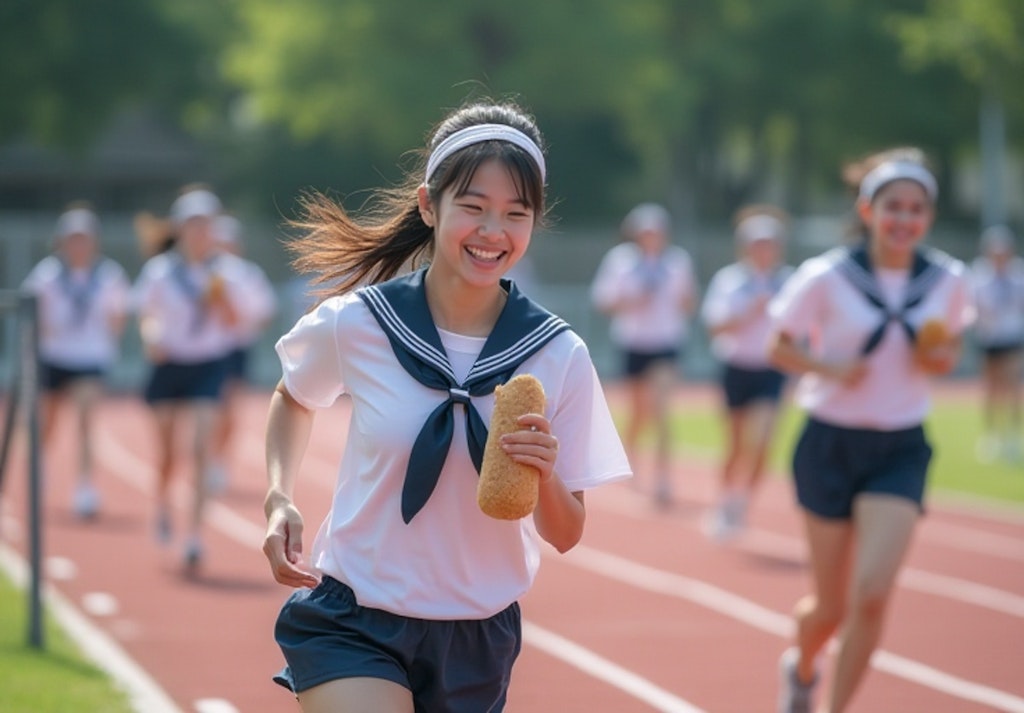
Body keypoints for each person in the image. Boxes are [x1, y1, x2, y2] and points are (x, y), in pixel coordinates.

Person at [262, 99, 632, 713]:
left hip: (478, 633)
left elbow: (566, 534)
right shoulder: (361, 323)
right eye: (473, 208)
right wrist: (279, 497)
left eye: (516, 214)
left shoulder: (556, 353)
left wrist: (545, 474)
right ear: (429, 205)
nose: (494, 232)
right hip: (354, 616)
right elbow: (292, 397)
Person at [767, 148, 973, 713]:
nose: (904, 219)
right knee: (830, 608)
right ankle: (802, 665)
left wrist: (939, 358)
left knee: (873, 596)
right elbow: (779, 345)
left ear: (928, 217)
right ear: (867, 209)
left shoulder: (947, 279)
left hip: (900, 446)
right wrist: (829, 367)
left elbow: (948, 348)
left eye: (916, 209)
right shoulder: (828, 275)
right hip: (829, 442)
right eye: (893, 207)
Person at [132, 186, 256, 569]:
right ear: (180, 228)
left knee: (202, 446)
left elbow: (238, 325)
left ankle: (195, 535)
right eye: (194, 224)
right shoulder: (160, 270)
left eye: (207, 224)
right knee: (169, 453)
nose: (201, 231)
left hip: (208, 365)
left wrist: (221, 300)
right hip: (170, 366)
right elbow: (146, 315)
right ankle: (164, 501)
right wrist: (151, 335)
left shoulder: (228, 272)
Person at [21, 203, 131, 519]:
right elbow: (32, 316)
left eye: (84, 238)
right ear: (62, 242)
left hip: (90, 358)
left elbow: (118, 318)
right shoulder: (47, 275)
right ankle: (39, 473)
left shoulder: (109, 276)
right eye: (73, 238)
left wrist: (104, 343)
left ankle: (84, 486)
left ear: (94, 242)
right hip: (54, 356)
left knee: (85, 420)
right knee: (48, 422)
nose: (78, 245)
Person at [589, 202, 697, 506]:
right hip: (633, 342)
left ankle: (664, 478)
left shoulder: (677, 262)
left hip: (666, 343)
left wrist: (677, 304)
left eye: (657, 232)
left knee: (662, 411)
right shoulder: (621, 261)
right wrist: (632, 298)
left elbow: (689, 302)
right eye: (646, 232)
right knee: (639, 412)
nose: (652, 237)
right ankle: (630, 454)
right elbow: (603, 301)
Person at [700, 205, 793, 541]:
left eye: (769, 242)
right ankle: (724, 501)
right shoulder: (730, 280)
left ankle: (741, 502)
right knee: (737, 445)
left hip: (772, 369)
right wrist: (749, 311)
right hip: (736, 367)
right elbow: (714, 326)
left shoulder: (790, 281)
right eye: (757, 243)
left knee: (764, 441)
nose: (763, 249)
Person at [206, 213, 278, 494]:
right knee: (207, 409)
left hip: (235, 348)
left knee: (228, 410)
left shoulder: (248, 274)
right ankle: (206, 458)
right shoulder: (200, 272)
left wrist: (240, 317)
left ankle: (217, 461)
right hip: (206, 351)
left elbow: (264, 313)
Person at [969, 224, 1024, 463]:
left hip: (1012, 338)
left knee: (1012, 388)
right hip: (989, 339)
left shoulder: (1019, 275)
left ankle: (1012, 437)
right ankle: (992, 436)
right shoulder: (979, 276)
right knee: (992, 390)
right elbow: (973, 309)